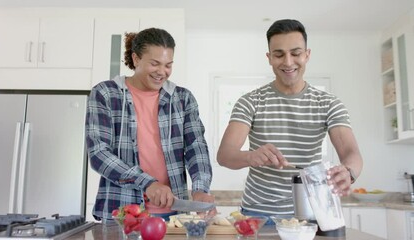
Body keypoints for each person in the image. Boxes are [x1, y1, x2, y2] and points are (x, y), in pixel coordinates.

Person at [217, 19, 363, 224]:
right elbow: (225, 155)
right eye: (279, 54)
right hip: (258, 213)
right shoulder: (250, 101)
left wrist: (348, 171)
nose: (287, 62)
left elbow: (351, 153)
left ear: (307, 55)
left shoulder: (328, 104)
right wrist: (251, 156)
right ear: (269, 58)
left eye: (295, 53)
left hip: (311, 212)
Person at [86, 27, 214, 223]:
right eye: (155, 63)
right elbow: (99, 153)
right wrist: (147, 183)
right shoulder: (105, 93)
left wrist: (200, 189)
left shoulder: (182, 98)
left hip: (174, 215)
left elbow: (196, 148)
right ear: (136, 59)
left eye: (168, 65)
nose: (162, 72)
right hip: (122, 212)